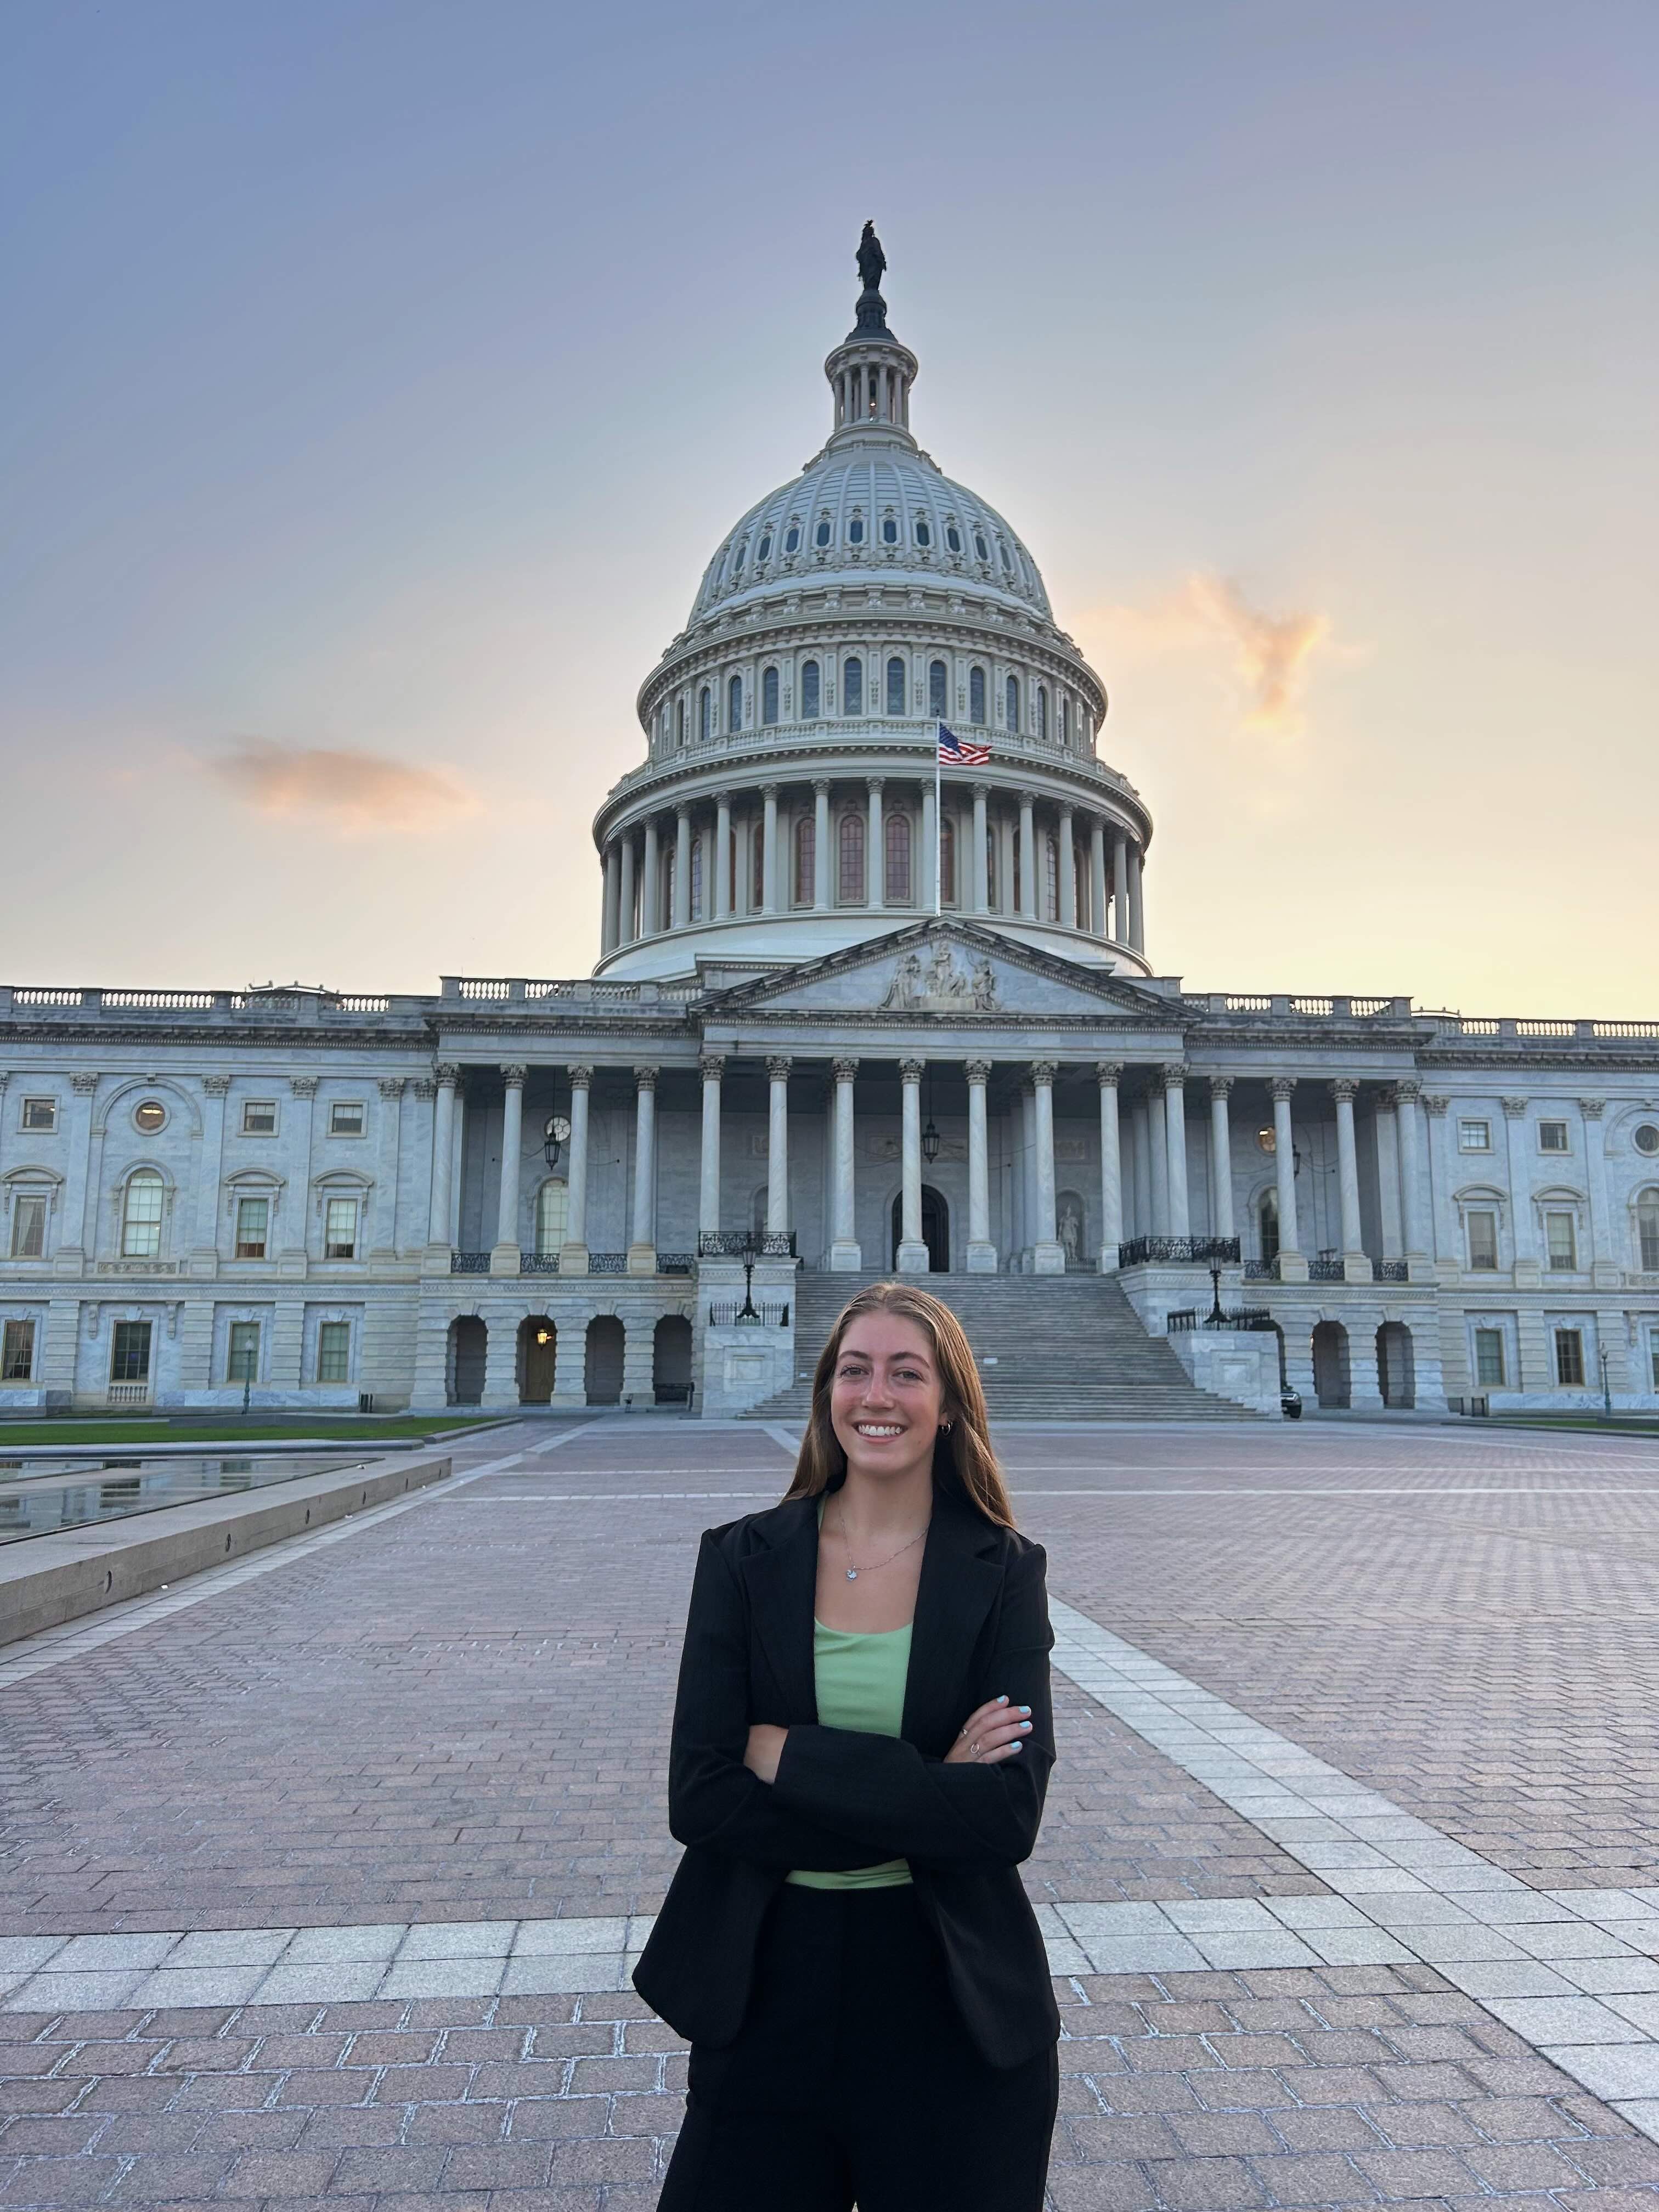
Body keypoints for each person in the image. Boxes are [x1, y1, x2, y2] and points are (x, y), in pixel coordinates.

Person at [635, 1281, 1059, 2210]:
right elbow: (699, 1797)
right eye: (855, 1370)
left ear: (948, 1407)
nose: (878, 1396)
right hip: (766, 1984)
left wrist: (791, 1759)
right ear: (826, 1392)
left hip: (952, 2002)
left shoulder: (1004, 1571)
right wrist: (927, 1792)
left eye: (908, 1375)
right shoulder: (742, 1559)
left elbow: (1005, 1815)